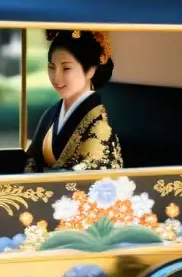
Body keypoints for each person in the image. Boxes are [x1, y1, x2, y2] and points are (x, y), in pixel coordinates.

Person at [24, 29, 123, 173]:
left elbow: (92, 171)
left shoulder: (101, 122)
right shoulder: (51, 113)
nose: (56, 78)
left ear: (90, 71)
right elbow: (32, 156)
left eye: (66, 68)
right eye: (52, 67)